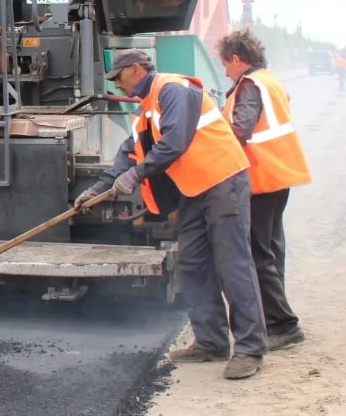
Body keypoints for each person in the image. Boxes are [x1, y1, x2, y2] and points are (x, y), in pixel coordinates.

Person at [73, 49, 268, 379]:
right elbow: (127, 158)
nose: (118, 86)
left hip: (223, 181)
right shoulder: (143, 114)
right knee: (192, 263)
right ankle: (211, 341)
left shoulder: (172, 89)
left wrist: (137, 175)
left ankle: (250, 348)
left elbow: (175, 140)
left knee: (232, 263)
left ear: (136, 70)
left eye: (119, 78)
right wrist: (94, 191)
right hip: (193, 190)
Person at [217, 30, 311, 351]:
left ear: (237, 59)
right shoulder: (270, 80)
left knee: (258, 255)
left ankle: (283, 325)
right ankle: (276, 319)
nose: (225, 71)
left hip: (260, 177)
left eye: (226, 64)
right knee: (271, 250)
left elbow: (240, 130)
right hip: (279, 175)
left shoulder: (250, 86)